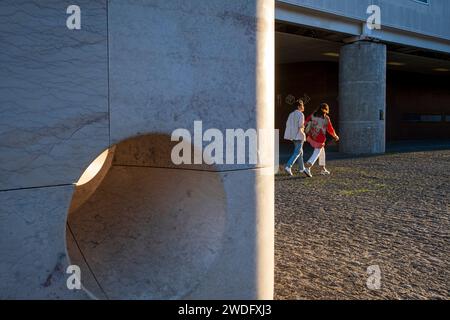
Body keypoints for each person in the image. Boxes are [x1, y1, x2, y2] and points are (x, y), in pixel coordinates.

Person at [304, 103, 339, 177]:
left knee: (322, 152)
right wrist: (335, 136)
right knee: (316, 152)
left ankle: (323, 169)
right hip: (320, 138)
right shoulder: (326, 118)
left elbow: (306, 122)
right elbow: (330, 129)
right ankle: (308, 166)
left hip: (313, 135)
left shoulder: (313, 115)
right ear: (326, 110)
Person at [283, 100, 311, 177]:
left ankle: (302, 168)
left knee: (300, 152)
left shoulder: (291, 114)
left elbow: (288, 124)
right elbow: (300, 126)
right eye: (302, 105)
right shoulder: (301, 114)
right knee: (297, 152)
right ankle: (288, 166)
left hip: (293, 136)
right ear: (299, 107)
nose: (303, 107)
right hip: (299, 135)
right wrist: (305, 125)